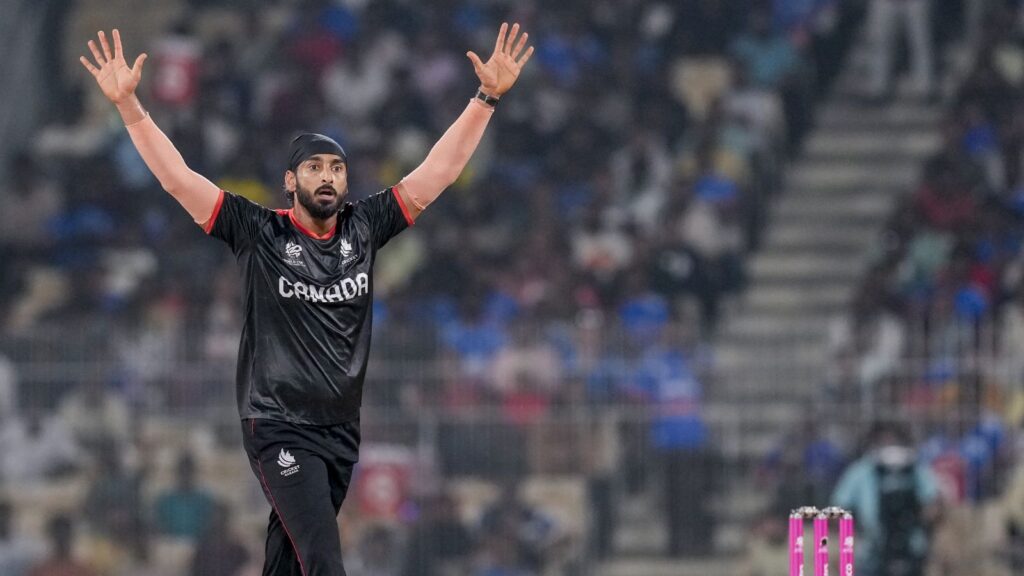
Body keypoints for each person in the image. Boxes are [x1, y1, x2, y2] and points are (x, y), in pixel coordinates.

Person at [80, 24, 534, 576]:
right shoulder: (258, 231)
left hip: (339, 427)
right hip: (277, 423)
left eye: (337, 168)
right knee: (322, 555)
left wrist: (485, 99)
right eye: (315, 168)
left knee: (288, 559)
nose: (328, 177)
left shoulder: (366, 227)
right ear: (290, 181)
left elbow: (438, 172)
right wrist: (130, 105)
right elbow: (178, 180)